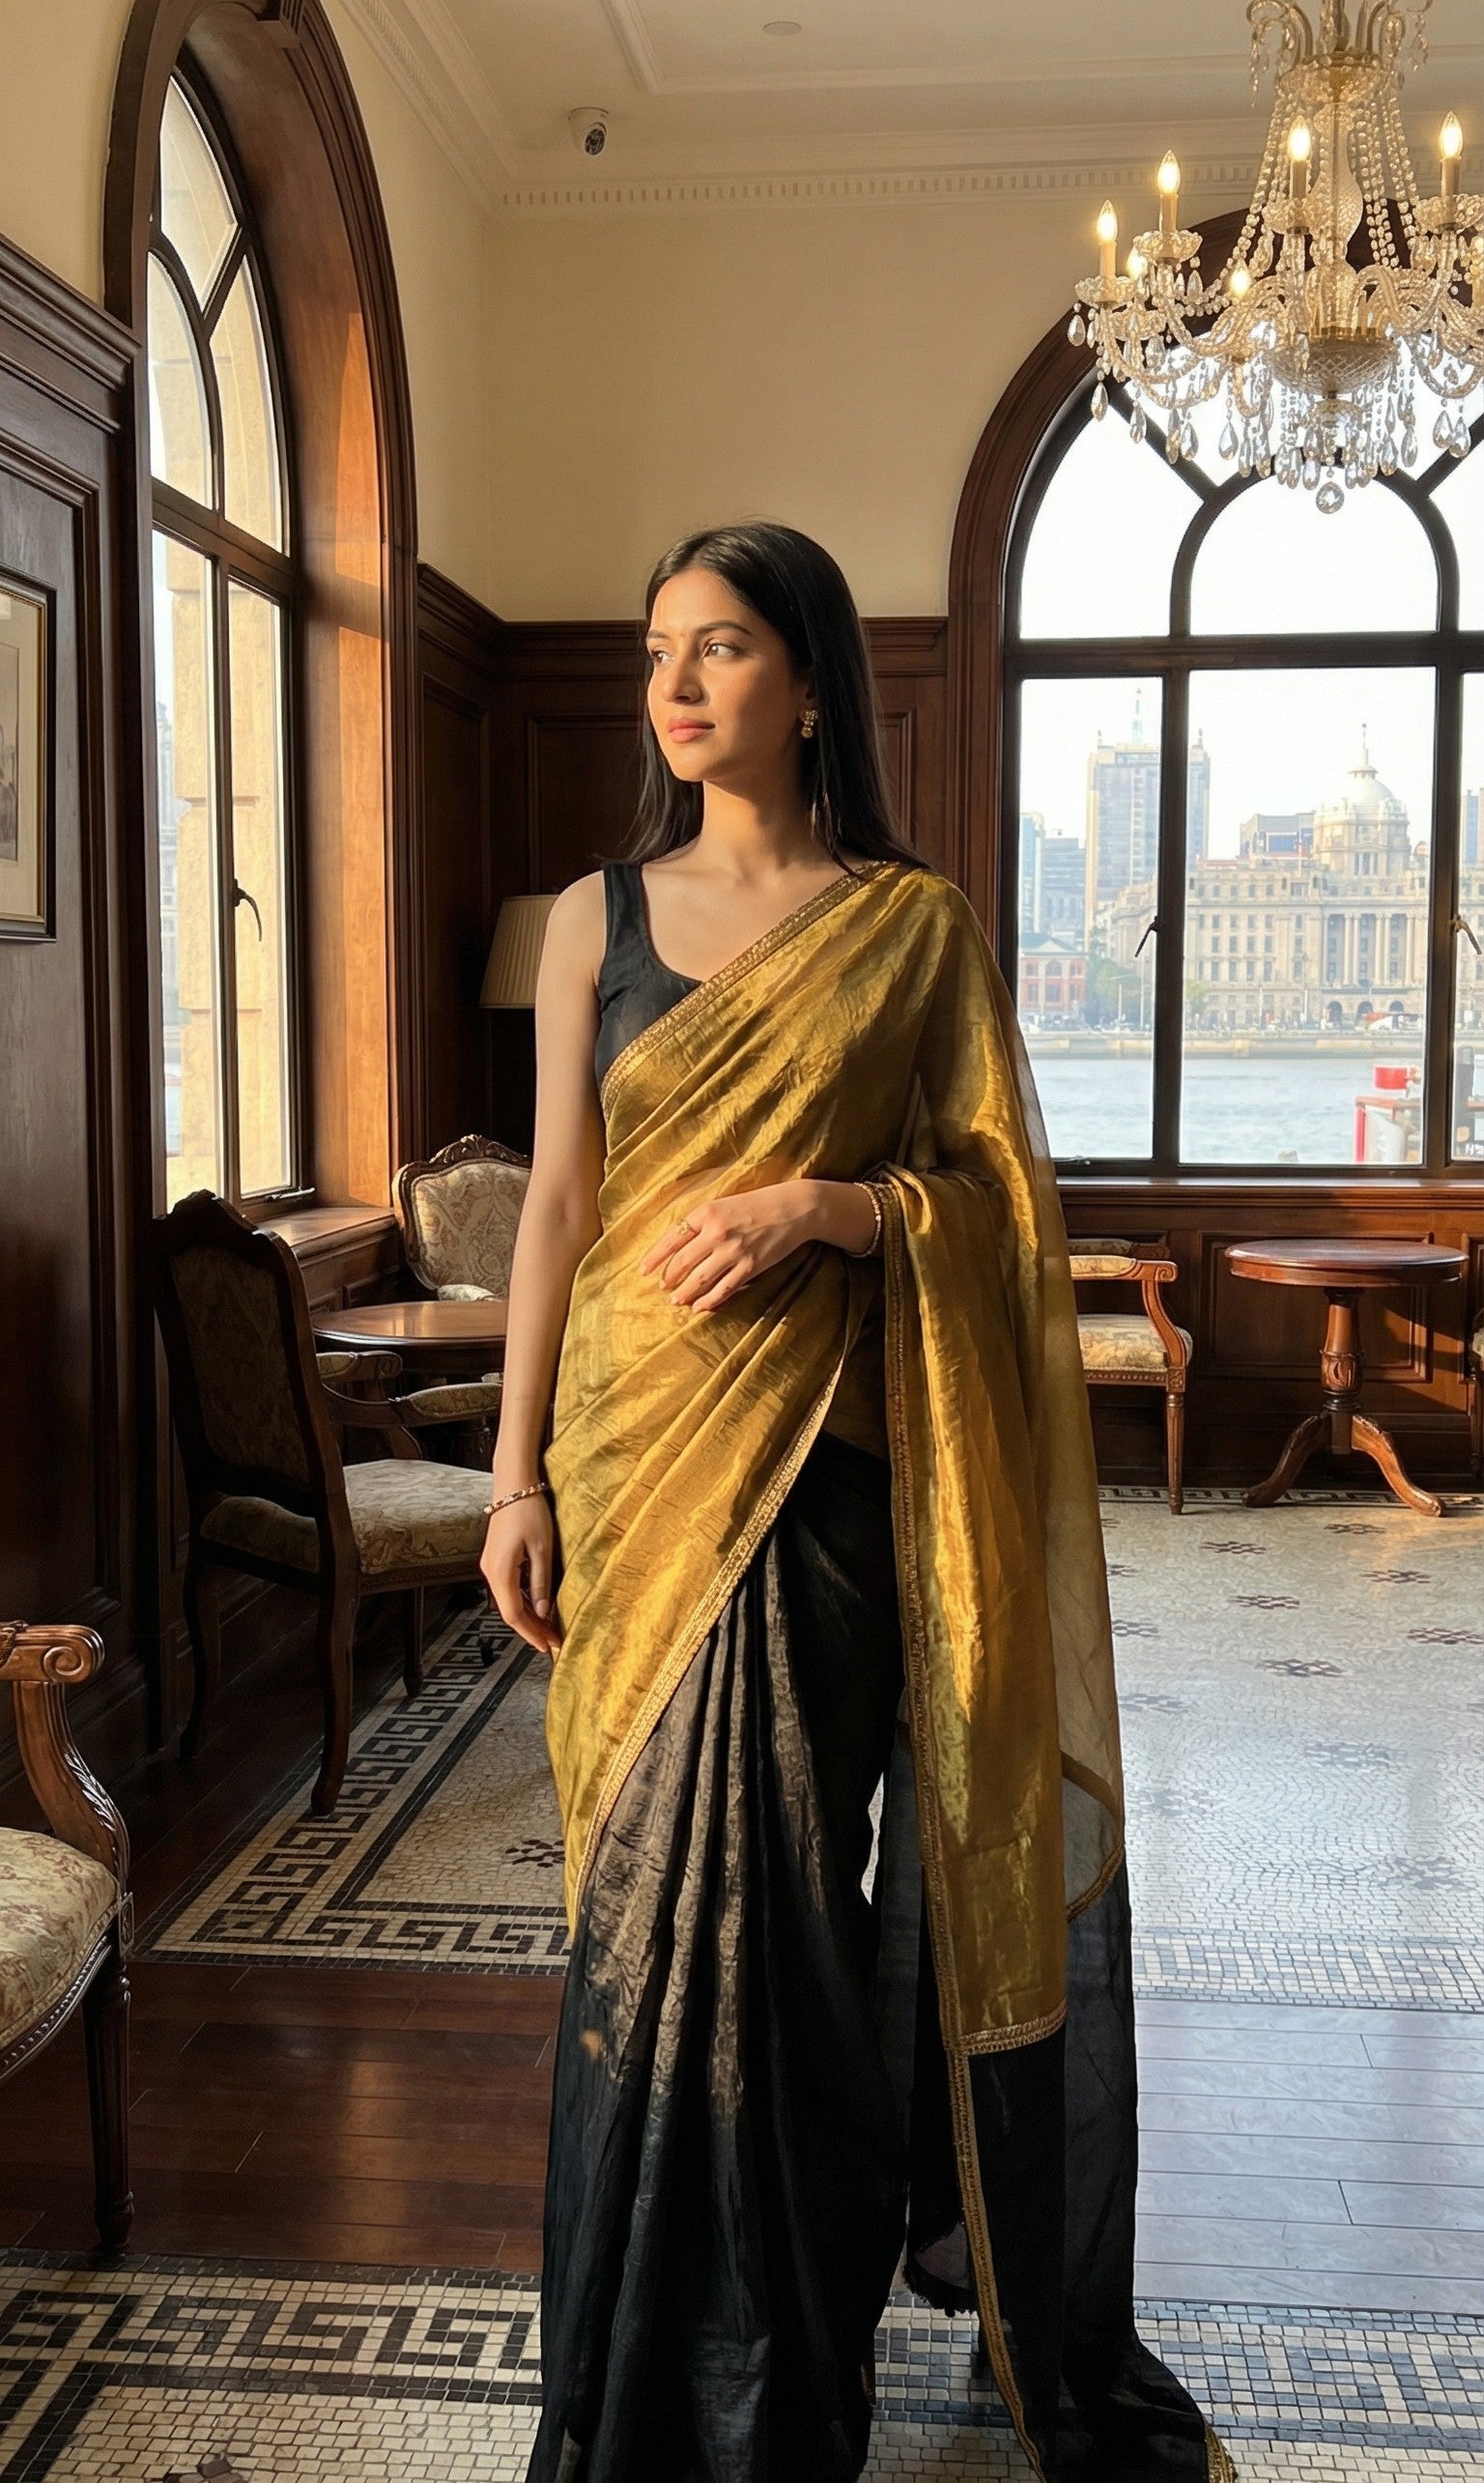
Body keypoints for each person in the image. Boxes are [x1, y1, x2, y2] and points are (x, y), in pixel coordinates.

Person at [480, 522, 1232, 2483]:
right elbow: (555, 1206)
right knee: (639, 1914)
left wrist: (832, 1206)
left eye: (722, 646)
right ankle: (629, 2381)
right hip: (630, 1470)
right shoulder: (592, 920)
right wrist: (513, 1469)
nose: (676, 681)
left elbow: (998, 1202)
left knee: (803, 1920)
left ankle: (787, 2383)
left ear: (811, 682)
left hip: (828, 1486)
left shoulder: (914, 929)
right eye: (659, 648)